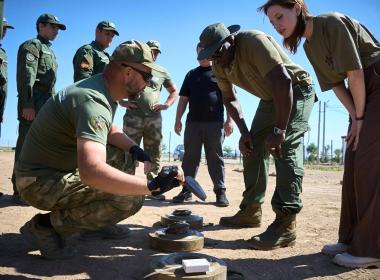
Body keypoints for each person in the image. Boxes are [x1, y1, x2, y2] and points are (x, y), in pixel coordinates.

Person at [14, 40, 184, 260]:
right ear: (129, 73)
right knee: (130, 198)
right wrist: (151, 186)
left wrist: (135, 150)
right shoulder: (93, 101)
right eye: (147, 77)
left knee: (123, 155)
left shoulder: (101, 89)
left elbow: (109, 129)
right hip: (38, 184)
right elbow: (91, 172)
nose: (149, 84)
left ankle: (97, 221)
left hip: (48, 172)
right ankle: (45, 226)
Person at [259, 0, 380, 268]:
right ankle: (350, 239)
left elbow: (356, 73)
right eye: (272, 22)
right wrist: (355, 118)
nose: (278, 25)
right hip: (360, 94)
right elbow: (337, 85)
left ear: (298, 7)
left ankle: (371, 247)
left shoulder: (331, 23)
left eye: (280, 16)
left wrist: (360, 118)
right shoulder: (310, 45)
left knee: (368, 166)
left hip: (375, 80)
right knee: (353, 160)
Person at [198, 23, 315, 250]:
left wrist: (280, 131)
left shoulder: (253, 41)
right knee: (251, 147)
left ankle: (286, 225)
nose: (216, 60)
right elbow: (229, 98)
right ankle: (251, 210)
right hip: (270, 99)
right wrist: (243, 132)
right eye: (211, 56)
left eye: (219, 52)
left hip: (296, 90)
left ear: (231, 41)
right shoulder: (219, 64)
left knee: (285, 148)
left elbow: (283, 81)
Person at [11, 13, 66, 203]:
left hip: (46, 103)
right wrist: (27, 103)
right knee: (26, 145)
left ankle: (34, 187)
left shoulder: (48, 49)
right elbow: (27, 76)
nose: (56, 31)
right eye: (53, 26)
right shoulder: (32, 46)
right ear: (41, 26)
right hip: (33, 102)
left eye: (58, 28)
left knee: (40, 147)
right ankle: (19, 190)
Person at [172, 42, 233, 207]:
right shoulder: (191, 74)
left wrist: (230, 120)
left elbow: (229, 97)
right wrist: (178, 120)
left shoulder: (220, 72)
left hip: (215, 124)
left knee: (215, 158)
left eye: (205, 53)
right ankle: (186, 191)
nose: (202, 56)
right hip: (193, 124)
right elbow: (183, 99)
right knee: (190, 158)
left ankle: (220, 192)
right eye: (199, 53)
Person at [121, 40, 179, 200]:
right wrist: (122, 102)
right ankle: (127, 188)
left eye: (157, 52)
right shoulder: (132, 68)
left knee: (154, 152)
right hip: (133, 117)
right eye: (151, 50)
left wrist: (167, 105)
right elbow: (118, 86)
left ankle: (154, 188)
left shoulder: (161, 72)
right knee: (128, 151)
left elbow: (174, 91)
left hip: (154, 119)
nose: (154, 54)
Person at [0, 18, 13, 139]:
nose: (4, 32)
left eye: (6, 29)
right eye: (3, 28)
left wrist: (1, 110)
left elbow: (4, 84)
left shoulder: (2, 53)